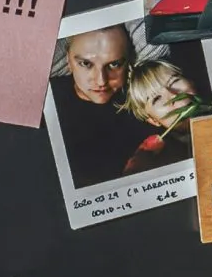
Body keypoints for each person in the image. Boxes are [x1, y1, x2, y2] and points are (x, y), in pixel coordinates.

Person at [49, 25, 160, 188]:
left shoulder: (145, 97)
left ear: (128, 61)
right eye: (86, 63)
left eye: (114, 64)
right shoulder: (46, 100)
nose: (101, 80)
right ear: (68, 61)